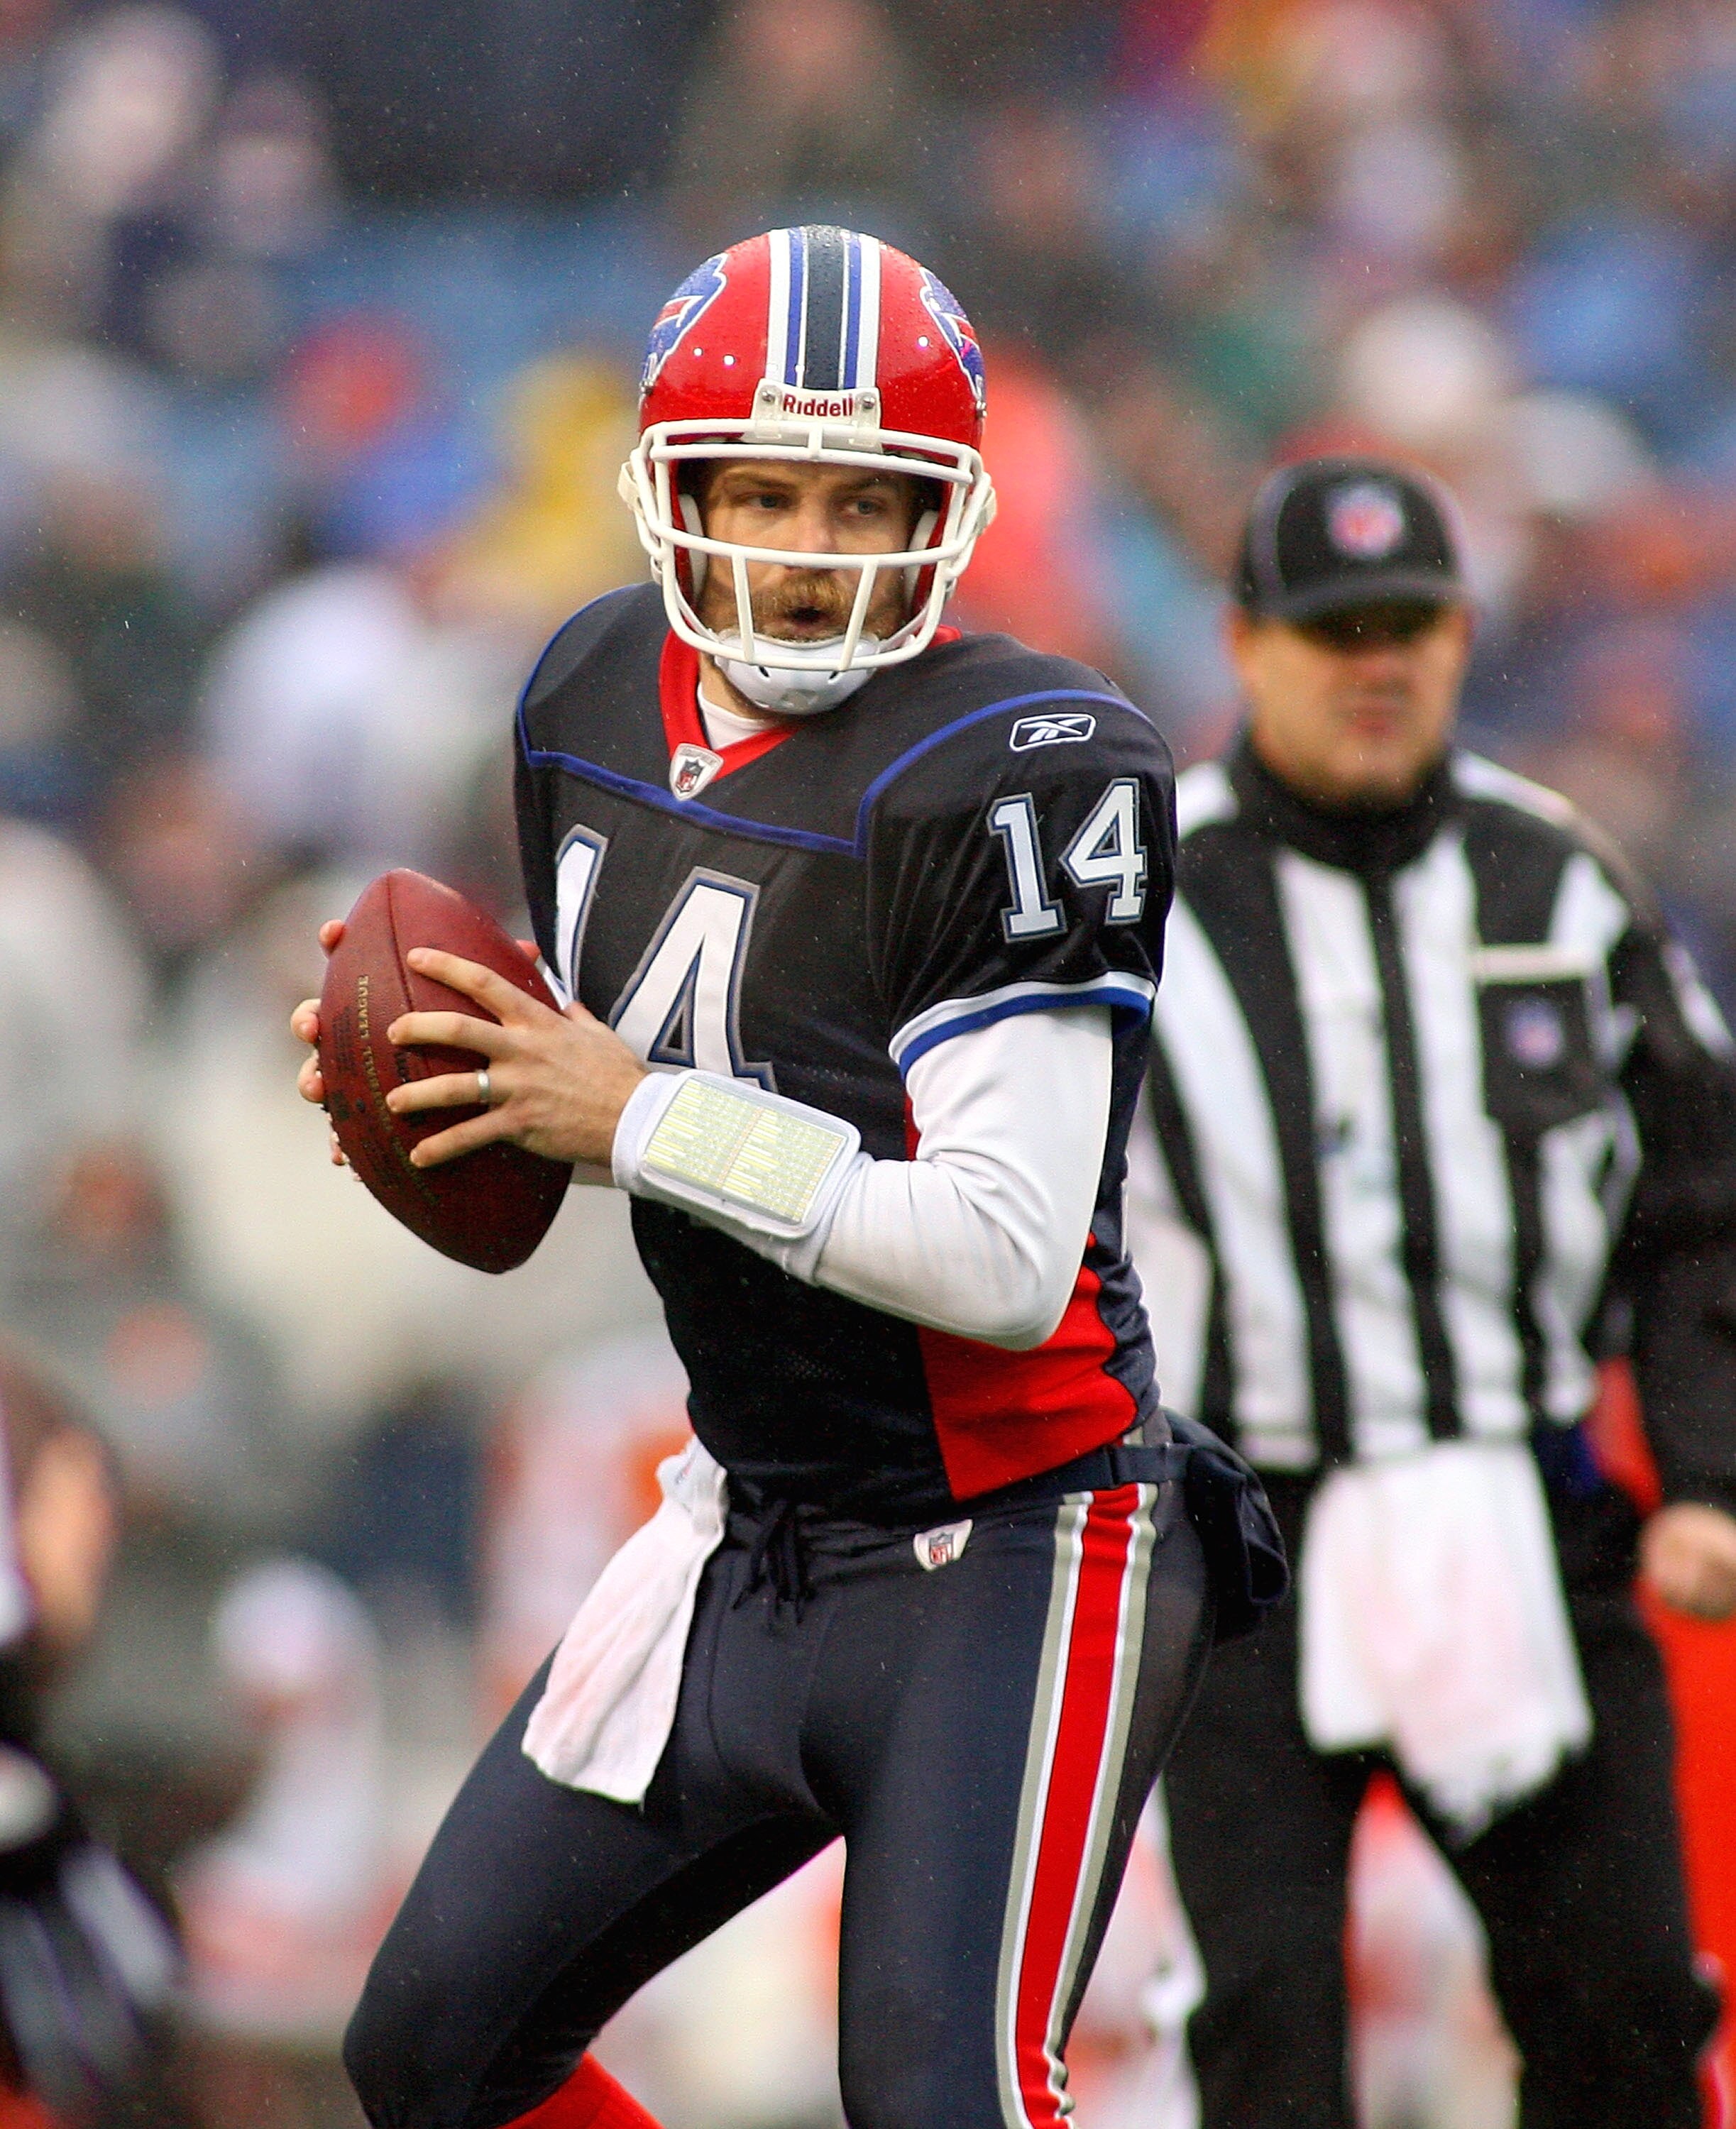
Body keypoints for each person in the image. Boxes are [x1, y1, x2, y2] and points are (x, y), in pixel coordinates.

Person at [292, 225, 1279, 2129]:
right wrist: (457, 1078)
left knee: (943, 2100)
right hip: (748, 1527)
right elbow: (663, 1086)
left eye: (860, 498)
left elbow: (997, 1253)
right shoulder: (584, 690)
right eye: (765, 489)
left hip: (1009, 1536)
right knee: (430, 2052)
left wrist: (630, 1116)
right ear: (677, 484)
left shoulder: (1026, 761)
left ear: (944, 513)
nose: (808, 543)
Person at [1126, 453, 1736, 2128]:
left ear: (1464, 639)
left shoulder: (1557, 878)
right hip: (1241, 1542)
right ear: (1243, 646)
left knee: (1621, 2013)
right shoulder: (1130, 893)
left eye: (1408, 625)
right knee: (1262, 2032)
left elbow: (1701, 1203)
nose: (1373, 664)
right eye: (1332, 631)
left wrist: (1702, 1472)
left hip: (1520, 1510)